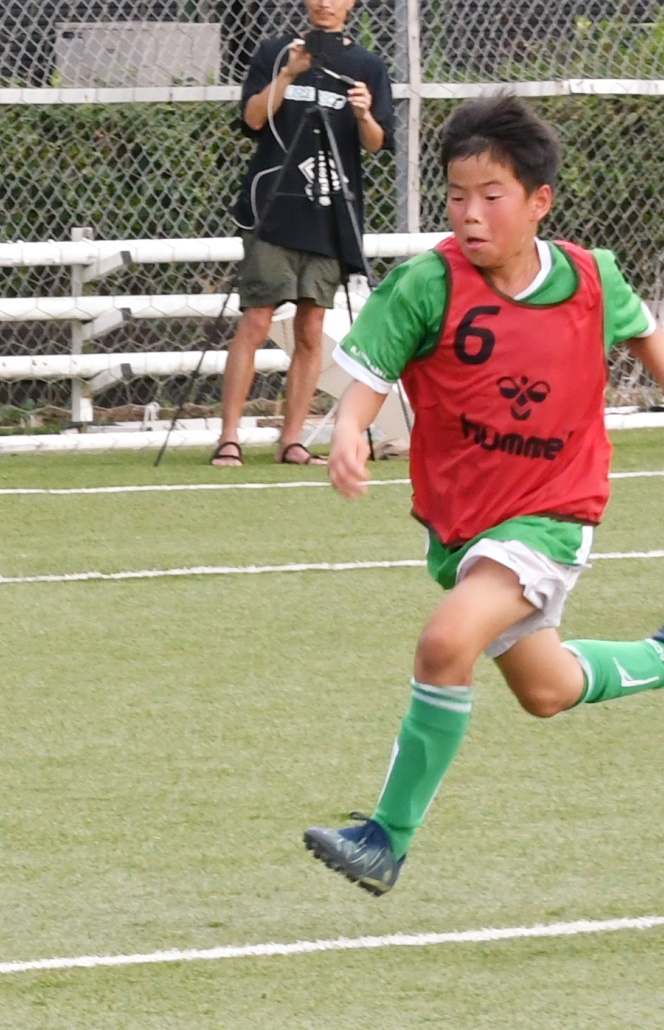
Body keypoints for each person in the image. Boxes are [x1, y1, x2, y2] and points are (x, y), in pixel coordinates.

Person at [304, 94, 664, 895]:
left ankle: (385, 839)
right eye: (456, 195)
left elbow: (650, 343)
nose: (469, 214)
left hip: (553, 512)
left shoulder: (590, 278)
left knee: (444, 644)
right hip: (465, 527)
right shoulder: (427, 284)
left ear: (539, 202)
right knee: (547, 689)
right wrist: (349, 429)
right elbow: (368, 377)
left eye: (490, 196)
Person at [212, 0, 392, 468]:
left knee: (311, 328)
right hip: (272, 208)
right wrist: (290, 74)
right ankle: (229, 438)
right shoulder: (274, 52)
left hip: (329, 212)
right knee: (256, 320)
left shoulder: (367, 65)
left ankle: (292, 441)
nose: (325, 3)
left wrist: (364, 115)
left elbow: (376, 143)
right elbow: (252, 119)